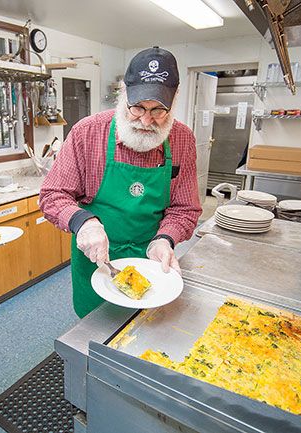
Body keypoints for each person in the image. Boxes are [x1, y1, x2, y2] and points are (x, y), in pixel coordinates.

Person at [40, 46, 202, 318]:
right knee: (95, 328)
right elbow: (52, 195)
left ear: (173, 104)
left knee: (148, 329)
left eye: (158, 110)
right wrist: (84, 223)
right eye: (137, 107)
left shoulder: (183, 139)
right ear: (123, 95)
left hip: (151, 256)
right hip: (96, 257)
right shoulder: (87, 133)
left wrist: (165, 239)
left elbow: (185, 208)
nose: (146, 120)